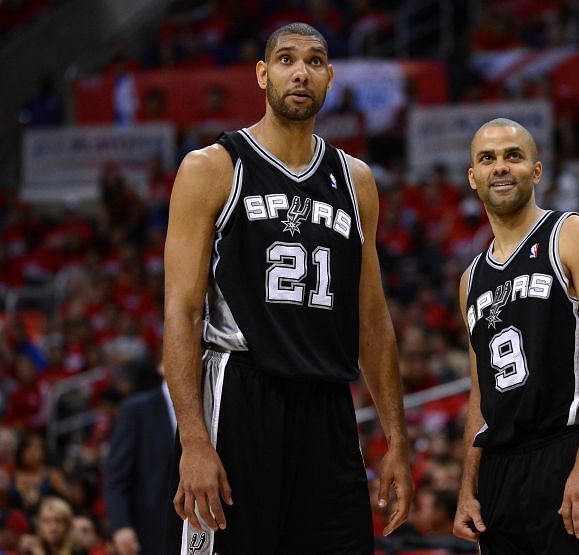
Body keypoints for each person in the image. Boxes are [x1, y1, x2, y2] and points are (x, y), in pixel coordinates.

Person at [163, 22, 412, 554]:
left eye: (315, 61)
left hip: (327, 404)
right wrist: (193, 440)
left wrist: (397, 440)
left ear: (329, 78)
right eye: (286, 60)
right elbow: (182, 313)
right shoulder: (213, 168)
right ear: (262, 74)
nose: (301, 72)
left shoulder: (356, 180)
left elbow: (371, 319)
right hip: (240, 394)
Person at [452, 118, 579, 554]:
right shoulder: (470, 280)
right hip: (499, 471)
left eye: (513, 156)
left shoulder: (574, 235)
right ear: (472, 177)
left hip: (567, 448)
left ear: (536, 171)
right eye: (488, 158)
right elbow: (481, 396)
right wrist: (467, 487)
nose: (500, 167)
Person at [103, 368, 175, 555]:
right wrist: (121, 525)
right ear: (162, 366)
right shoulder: (135, 409)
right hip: (150, 530)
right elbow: (116, 475)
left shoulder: (210, 405)